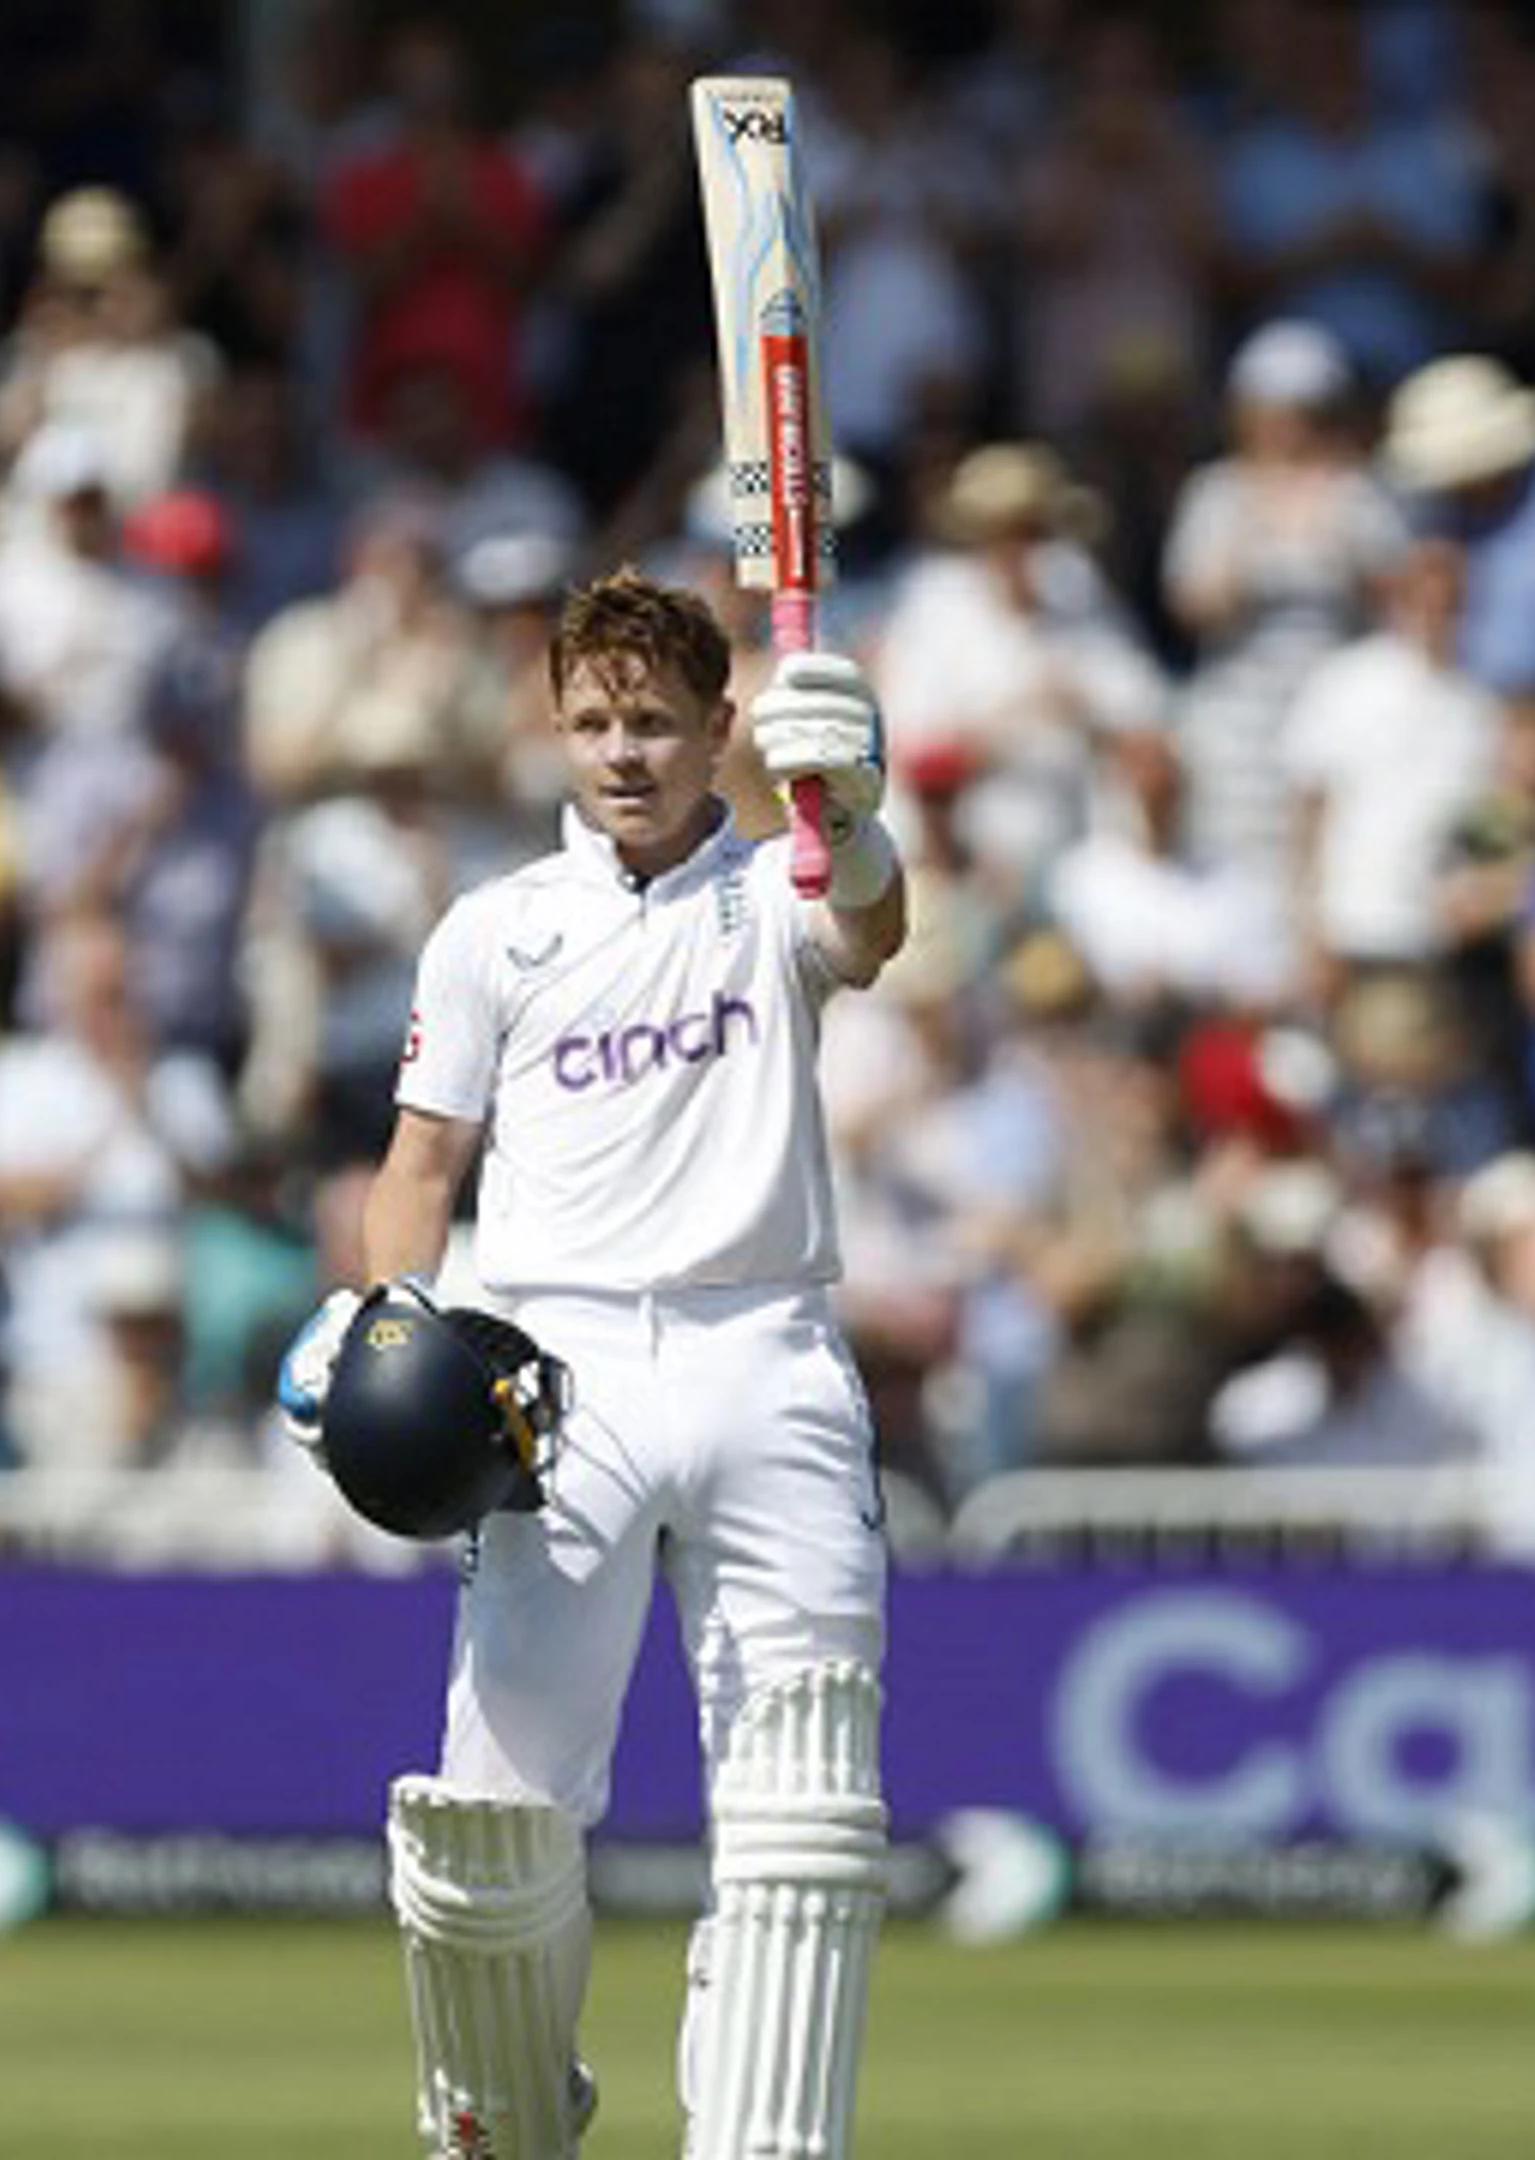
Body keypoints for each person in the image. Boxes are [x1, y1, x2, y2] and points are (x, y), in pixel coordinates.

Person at [272, 568, 908, 2158]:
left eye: (654, 724)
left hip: (767, 1350)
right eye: (593, 723)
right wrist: (384, 1315)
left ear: (717, 730)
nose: (622, 754)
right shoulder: (500, 930)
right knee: (494, 1826)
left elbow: (873, 932)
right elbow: (421, 1166)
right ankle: (502, 2126)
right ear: (557, 729)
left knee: (804, 1812)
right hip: (554, 1384)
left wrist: (861, 810)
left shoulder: (773, 892)